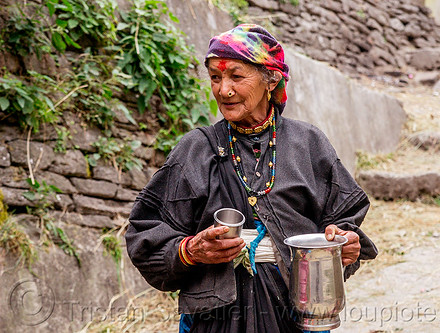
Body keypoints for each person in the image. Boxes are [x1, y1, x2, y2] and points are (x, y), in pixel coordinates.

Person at [126, 24, 377, 333]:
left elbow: (342, 222)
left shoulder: (308, 144)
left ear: (270, 80)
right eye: (216, 78)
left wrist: (342, 245)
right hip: (215, 320)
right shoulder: (195, 150)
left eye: (236, 76)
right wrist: (190, 250)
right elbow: (145, 232)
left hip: (297, 313)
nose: (223, 90)